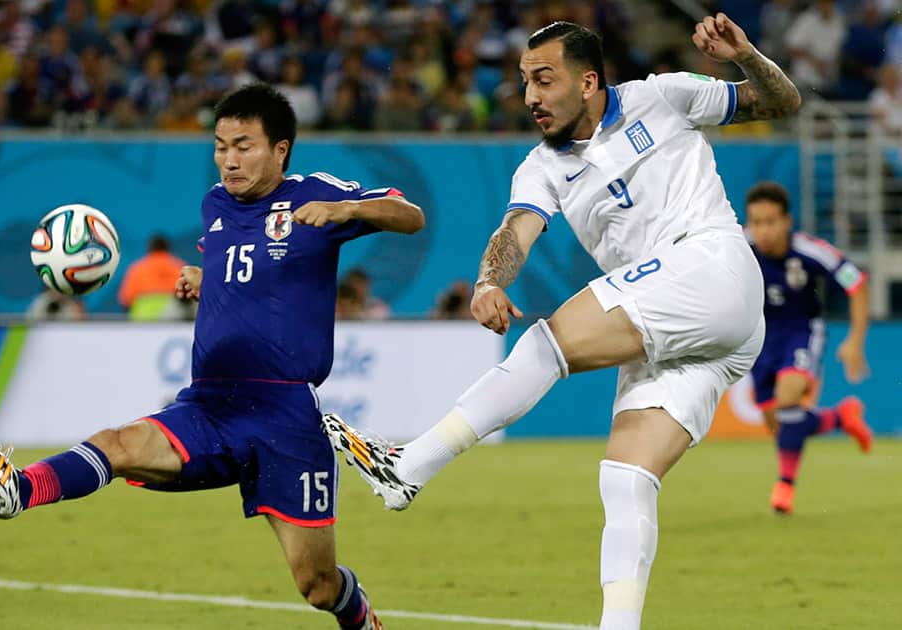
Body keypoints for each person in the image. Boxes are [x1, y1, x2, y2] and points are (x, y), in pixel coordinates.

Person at [322, 15, 800, 630]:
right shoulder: (541, 167)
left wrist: (747, 56)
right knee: (625, 479)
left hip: (711, 266)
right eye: (524, 82)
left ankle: (407, 469)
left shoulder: (663, 96)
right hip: (690, 325)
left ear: (589, 81)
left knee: (549, 343)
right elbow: (515, 232)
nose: (530, 98)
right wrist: (491, 280)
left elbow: (782, 102)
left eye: (543, 80)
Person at [0, 83, 424, 630]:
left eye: (244, 145)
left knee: (316, 585)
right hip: (210, 406)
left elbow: (410, 216)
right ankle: (16, 489)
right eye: (221, 146)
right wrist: (208, 279)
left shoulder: (313, 193)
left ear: (281, 150)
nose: (228, 159)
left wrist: (345, 208)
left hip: (286, 419)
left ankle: (358, 615)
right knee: (119, 443)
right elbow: (246, 270)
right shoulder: (216, 204)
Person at [743, 182, 873, 514]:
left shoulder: (811, 252)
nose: (763, 230)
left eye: (770, 221)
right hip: (759, 339)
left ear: (787, 221)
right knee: (779, 420)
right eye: (756, 222)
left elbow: (856, 283)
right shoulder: (738, 247)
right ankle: (840, 419)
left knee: (789, 397)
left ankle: (784, 488)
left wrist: (855, 340)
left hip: (801, 331)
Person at [116, 233, 187, 320]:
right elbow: (187, 296)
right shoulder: (179, 266)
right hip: (173, 316)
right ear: (168, 248)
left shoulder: (138, 268)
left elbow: (126, 300)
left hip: (142, 317)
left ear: (149, 248)